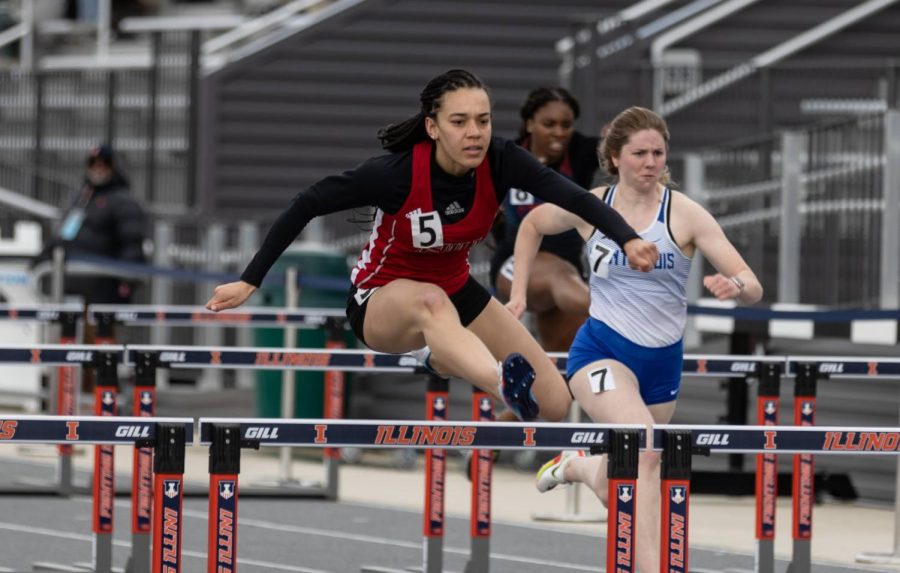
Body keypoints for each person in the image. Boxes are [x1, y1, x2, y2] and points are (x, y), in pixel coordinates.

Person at [206, 69, 659, 423]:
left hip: (456, 290)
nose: (474, 133)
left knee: (555, 402)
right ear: (433, 126)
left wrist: (629, 237)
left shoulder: (501, 161)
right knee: (430, 301)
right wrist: (251, 279)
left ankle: (448, 364)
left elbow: (575, 197)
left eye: (482, 121)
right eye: (459, 122)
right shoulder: (395, 173)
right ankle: (493, 379)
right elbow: (307, 202)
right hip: (381, 299)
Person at [506, 106, 763, 571]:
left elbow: (752, 284)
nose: (650, 162)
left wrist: (736, 288)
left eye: (658, 153)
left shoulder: (684, 214)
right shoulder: (592, 205)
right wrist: (518, 293)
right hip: (600, 352)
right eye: (639, 153)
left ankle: (578, 467)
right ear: (614, 157)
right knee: (646, 450)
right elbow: (530, 226)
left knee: (622, 478)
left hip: (661, 364)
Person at [491, 86, 599, 352]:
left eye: (566, 125)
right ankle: (618, 310)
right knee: (557, 275)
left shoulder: (582, 152)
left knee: (567, 359)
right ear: (529, 124)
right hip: (515, 265)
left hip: (570, 267)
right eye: (549, 124)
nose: (559, 133)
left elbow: (627, 151)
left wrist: (621, 137)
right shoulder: (507, 155)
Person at [35, 143, 148, 305]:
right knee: (66, 327)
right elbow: (62, 235)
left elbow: (131, 243)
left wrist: (127, 279)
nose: (98, 169)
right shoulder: (81, 198)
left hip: (105, 287)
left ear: (113, 167)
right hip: (70, 284)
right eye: (93, 164)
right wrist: (40, 260)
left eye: (103, 164)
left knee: (102, 328)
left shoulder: (123, 201)